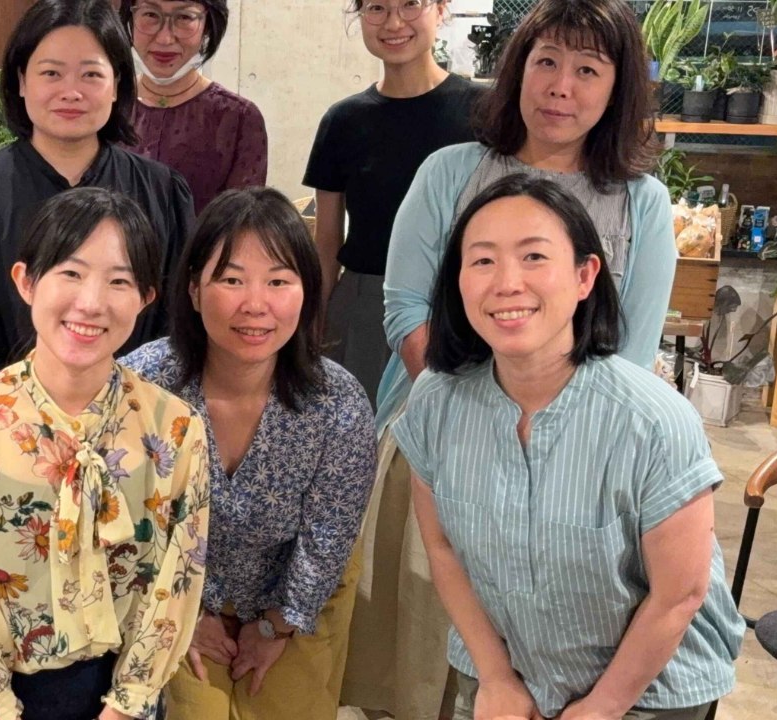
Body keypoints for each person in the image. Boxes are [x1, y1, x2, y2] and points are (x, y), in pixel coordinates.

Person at [354, 0, 679, 716]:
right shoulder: (450, 172)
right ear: (517, 71)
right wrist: (479, 422)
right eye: (546, 62)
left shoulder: (642, 204)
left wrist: (549, 439)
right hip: (440, 441)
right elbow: (406, 311)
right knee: (425, 659)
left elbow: (631, 355)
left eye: (587, 70)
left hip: (586, 461)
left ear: (617, 88)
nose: (561, 86)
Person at [397, 173, 744, 720]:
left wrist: (602, 707)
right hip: (504, 675)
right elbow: (443, 549)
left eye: (534, 257)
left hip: (646, 691)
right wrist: (496, 678)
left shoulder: (651, 420)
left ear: (585, 276)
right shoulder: (435, 401)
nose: (507, 283)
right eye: (482, 260)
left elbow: (679, 593)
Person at [0, 186, 211, 720]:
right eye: (71, 273)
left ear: (146, 297)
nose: (91, 303)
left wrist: (128, 704)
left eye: (119, 281)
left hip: (123, 696)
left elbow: (179, 577)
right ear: (26, 281)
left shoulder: (175, 428)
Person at [122, 187, 376, 720]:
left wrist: (277, 625)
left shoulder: (336, 401)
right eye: (232, 280)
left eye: (278, 281)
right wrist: (187, 611)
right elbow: (125, 518)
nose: (255, 304)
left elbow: (329, 535)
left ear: (306, 291)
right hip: (173, 590)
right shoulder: (144, 385)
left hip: (298, 590)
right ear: (194, 290)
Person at [0, 0, 196, 392]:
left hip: (137, 415)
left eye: (91, 74)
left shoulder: (162, 193)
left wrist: (124, 414)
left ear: (116, 85)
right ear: (22, 81)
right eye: (51, 73)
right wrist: (30, 420)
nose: (71, 92)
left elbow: (176, 329)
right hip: (3, 418)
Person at [303, 0, 482, 409]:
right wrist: (312, 325)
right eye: (377, 8)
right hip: (365, 305)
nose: (394, 22)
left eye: (410, 5)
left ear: (441, 9)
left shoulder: (483, 112)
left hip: (459, 301)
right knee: (360, 430)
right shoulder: (342, 120)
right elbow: (326, 241)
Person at [120, 0, 267, 214]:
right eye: (150, 15)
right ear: (130, 17)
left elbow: (239, 223)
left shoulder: (239, 117)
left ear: (208, 25)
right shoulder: (106, 104)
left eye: (184, 17)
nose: (165, 38)